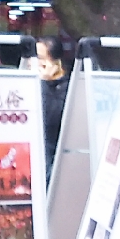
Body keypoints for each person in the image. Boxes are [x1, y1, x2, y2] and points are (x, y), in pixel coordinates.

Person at [33, 35, 70, 174]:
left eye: (39, 58)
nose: (33, 63)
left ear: (56, 64)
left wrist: (44, 82)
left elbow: (48, 118)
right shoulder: (29, 84)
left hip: (53, 155)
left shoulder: (66, 87)